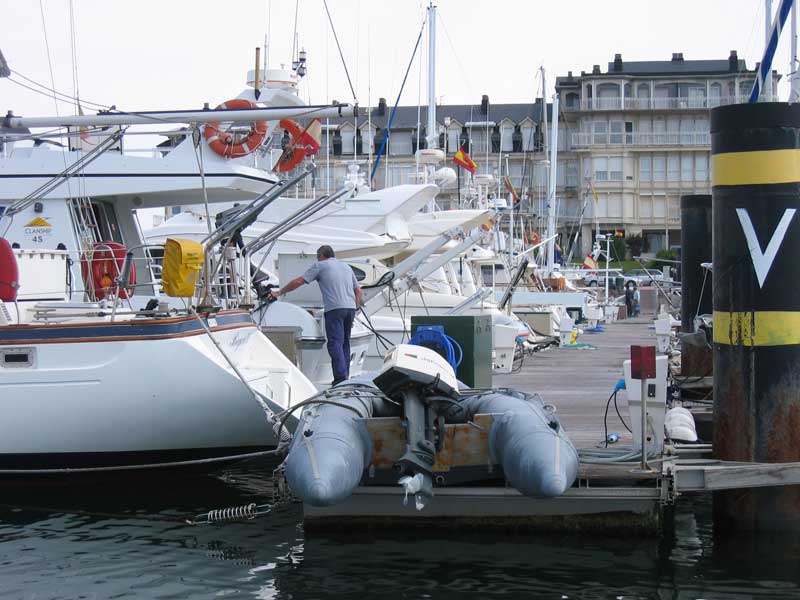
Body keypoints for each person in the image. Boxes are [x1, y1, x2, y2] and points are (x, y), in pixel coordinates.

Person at [270, 245, 362, 385]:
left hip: (334, 309)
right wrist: (355, 308)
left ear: (321, 256)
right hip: (350, 309)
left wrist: (279, 292)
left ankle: (340, 378)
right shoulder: (346, 267)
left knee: (335, 343)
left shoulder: (320, 265)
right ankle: (345, 377)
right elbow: (358, 291)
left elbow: (299, 281)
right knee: (345, 343)